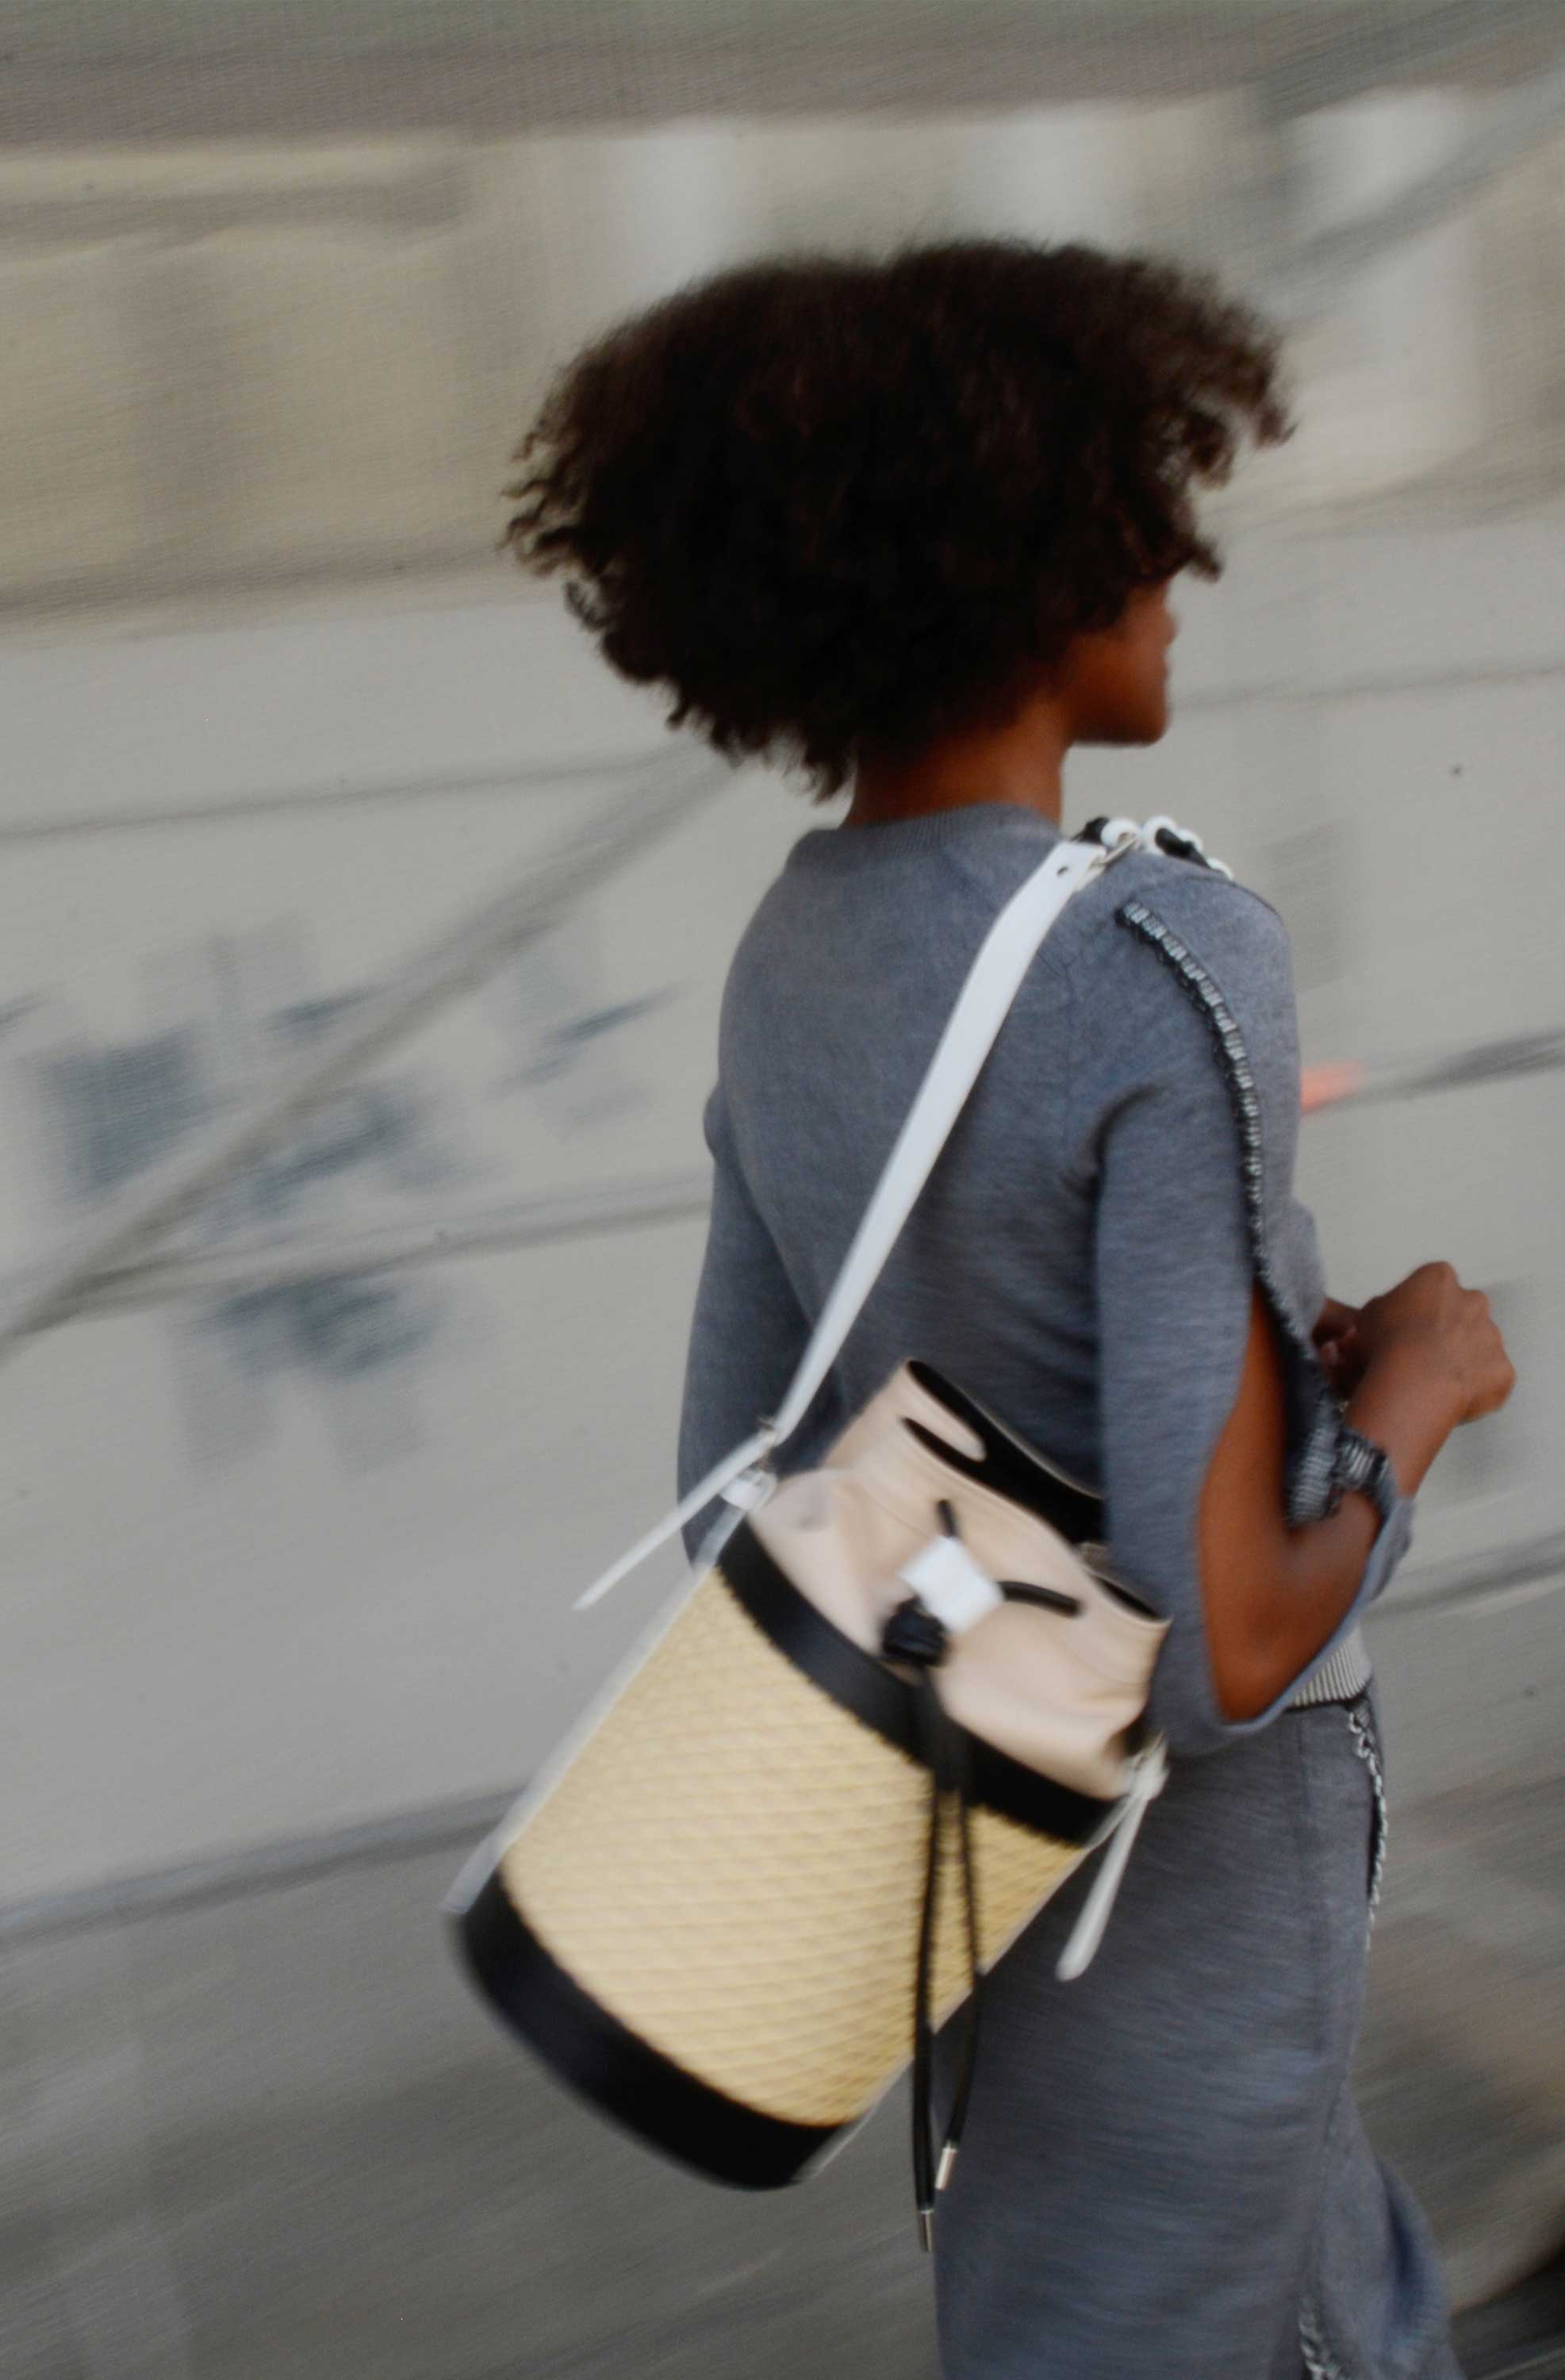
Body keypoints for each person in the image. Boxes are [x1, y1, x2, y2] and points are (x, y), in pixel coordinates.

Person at [504, 240, 1514, 2380]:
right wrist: (1412, 1396)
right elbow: (1229, 1641)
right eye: (1145, 517)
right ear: (1024, 562)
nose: (1178, 570)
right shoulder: (1166, 953)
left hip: (971, 1865)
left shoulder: (796, 957)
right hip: (1204, 1889)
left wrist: (1217, 1400)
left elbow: (737, 1492)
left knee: (1254, 2303)